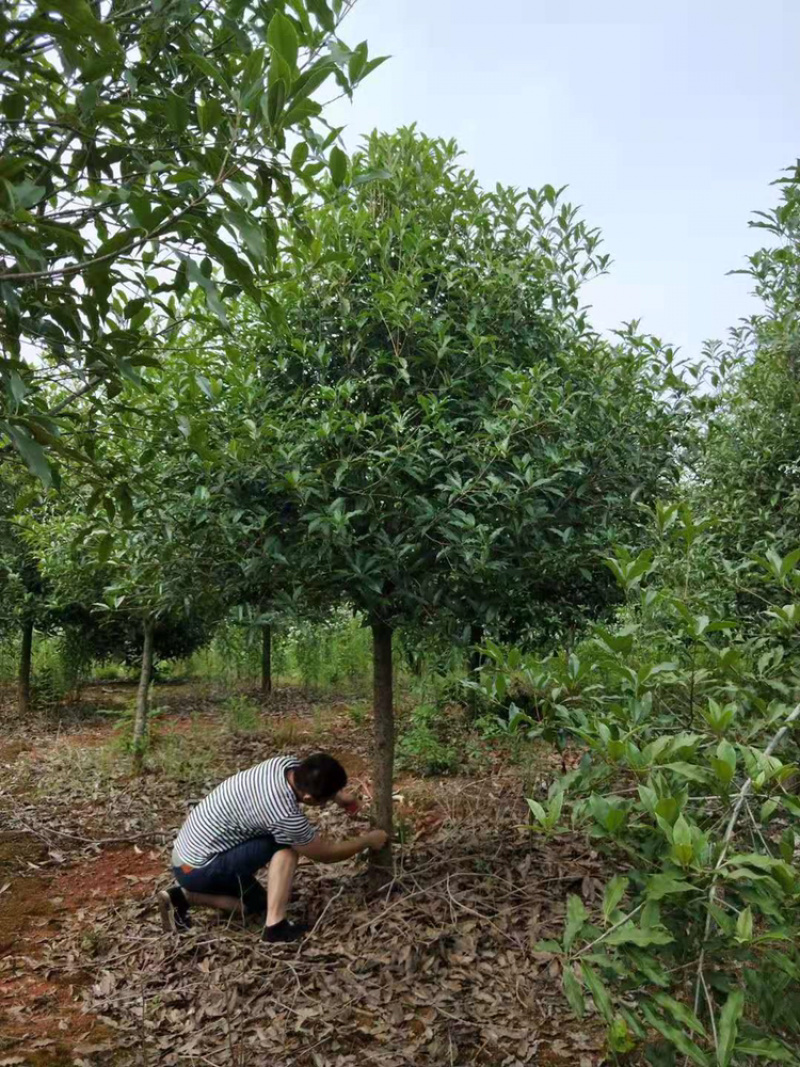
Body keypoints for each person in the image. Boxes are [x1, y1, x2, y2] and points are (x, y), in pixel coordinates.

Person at [158, 752, 387, 942]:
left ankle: (182, 896)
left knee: (256, 905)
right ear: (308, 798)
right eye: (324, 800)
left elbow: (314, 780)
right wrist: (367, 841)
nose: (325, 804)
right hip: (199, 868)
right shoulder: (284, 814)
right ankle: (275, 926)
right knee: (286, 844)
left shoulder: (284, 764)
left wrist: (340, 797)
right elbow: (323, 854)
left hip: (184, 858)